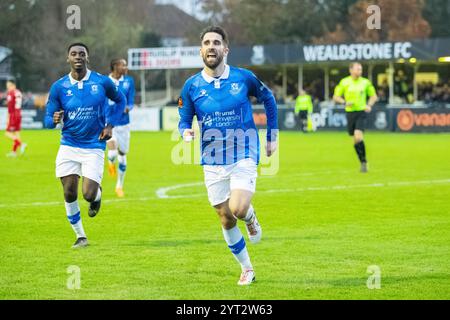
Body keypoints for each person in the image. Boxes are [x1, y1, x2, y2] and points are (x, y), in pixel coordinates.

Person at [178, 26, 278, 286]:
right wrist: (185, 131)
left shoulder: (244, 78)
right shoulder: (192, 86)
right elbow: (184, 118)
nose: (211, 46)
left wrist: (272, 135)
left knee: (239, 208)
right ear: (201, 50)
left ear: (225, 49)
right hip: (212, 160)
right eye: (207, 43)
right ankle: (247, 268)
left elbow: (269, 99)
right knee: (225, 217)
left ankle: (250, 216)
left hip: (244, 151)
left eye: (216, 42)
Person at [45, 43, 126, 248]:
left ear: (87, 58)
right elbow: (47, 121)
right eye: (74, 54)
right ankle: (81, 236)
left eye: (82, 54)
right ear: (68, 59)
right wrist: (53, 119)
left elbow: (120, 99)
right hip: (69, 145)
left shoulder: (101, 82)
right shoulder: (59, 87)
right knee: (69, 192)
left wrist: (110, 125)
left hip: (94, 146)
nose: (78, 57)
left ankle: (97, 197)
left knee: (88, 194)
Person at [333, 62, 378, 173]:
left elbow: (374, 96)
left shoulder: (365, 82)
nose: (360, 71)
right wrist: (345, 102)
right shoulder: (344, 82)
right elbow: (335, 97)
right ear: (351, 70)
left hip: (361, 112)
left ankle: (364, 162)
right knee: (355, 140)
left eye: (361, 69)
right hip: (350, 113)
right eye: (358, 69)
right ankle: (362, 161)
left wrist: (369, 105)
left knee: (358, 136)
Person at [106, 58, 135, 198]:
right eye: (123, 65)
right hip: (109, 123)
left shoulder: (129, 81)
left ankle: (119, 186)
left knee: (122, 155)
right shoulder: (105, 82)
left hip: (124, 124)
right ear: (115, 66)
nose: (125, 67)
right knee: (112, 151)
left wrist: (127, 108)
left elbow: (131, 101)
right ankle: (110, 161)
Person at [5, 80, 27, 157]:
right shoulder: (18, 92)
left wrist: (8, 117)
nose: (8, 88)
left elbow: (10, 107)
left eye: (9, 86)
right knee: (17, 133)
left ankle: (21, 144)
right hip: (18, 113)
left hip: (13, 114)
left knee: (7, 133)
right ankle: (14, 152)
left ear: (13, 85)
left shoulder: (11, 93)